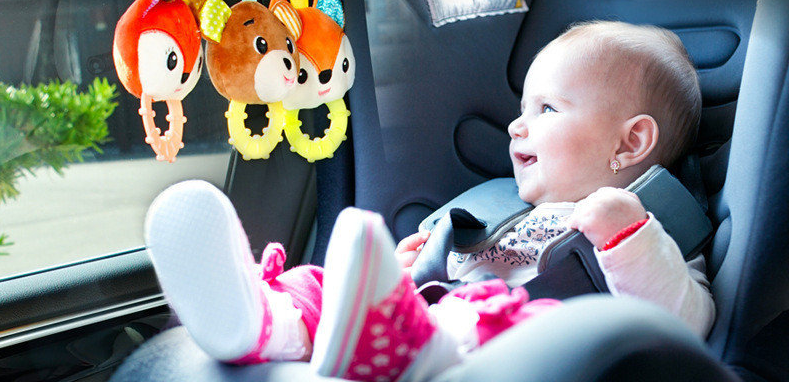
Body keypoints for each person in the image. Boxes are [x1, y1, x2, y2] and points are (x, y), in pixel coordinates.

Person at [144, 21, 715, 381]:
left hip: (509, 350)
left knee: (491, 319)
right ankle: (265, 321)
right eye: (522, 109)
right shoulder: (502, 211)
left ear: (630, 143)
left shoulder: (653, 230)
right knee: (320, 281)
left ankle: (393, 342)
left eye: (547, 109)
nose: (516, 127)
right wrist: (410, 271)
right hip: (428, 314)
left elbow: (685, 323)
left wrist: (628, 236)